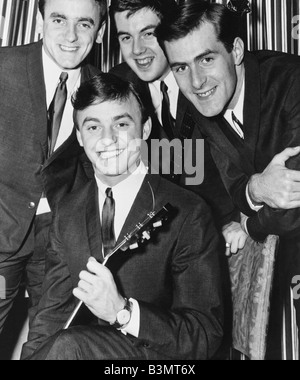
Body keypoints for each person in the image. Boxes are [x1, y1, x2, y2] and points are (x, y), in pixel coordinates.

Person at [21, 73, 224, 361]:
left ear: (145, 129)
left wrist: (123, 312)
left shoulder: (187, 211)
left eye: (121, 124)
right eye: (93, 127)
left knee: (69, 345)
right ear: (79, 136)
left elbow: (205, 335)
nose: (107, 139)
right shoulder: (68, 211)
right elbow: (51, 316)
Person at [156, 0, 300, 336]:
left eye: (206, 59)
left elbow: (293, 196)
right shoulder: (202, 106)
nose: (196, 81)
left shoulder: (292, 79)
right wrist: (255, 189)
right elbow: (234, 190)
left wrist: (250, 226)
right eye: (180, 67)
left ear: (235, 50)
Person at [0, 0, 107, 335]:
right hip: (1, 237)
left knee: (53, 342)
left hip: (57, 246)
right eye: (59, 20)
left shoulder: (102, 91)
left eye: (85, 24)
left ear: (99, 31)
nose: (71, 36)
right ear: (39, 21)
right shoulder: (4, 67)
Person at [109, 0, 237, 230]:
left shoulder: (211, 77)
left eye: (148, 33)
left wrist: (239, 220)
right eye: (126, 37)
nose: (137, 50)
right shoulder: (119, 87)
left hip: (223, 230)